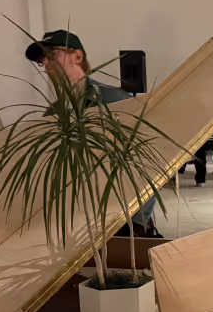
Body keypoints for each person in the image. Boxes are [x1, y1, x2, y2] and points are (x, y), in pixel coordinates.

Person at [25, 30, 161, 237]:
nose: (46, 64)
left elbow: (148, 162)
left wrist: (136, 219)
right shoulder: (53, 113)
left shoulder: (115, 101)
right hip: (77, 221)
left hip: (121, 219)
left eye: (52, 55)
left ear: (78, 56)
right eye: (42, 60)